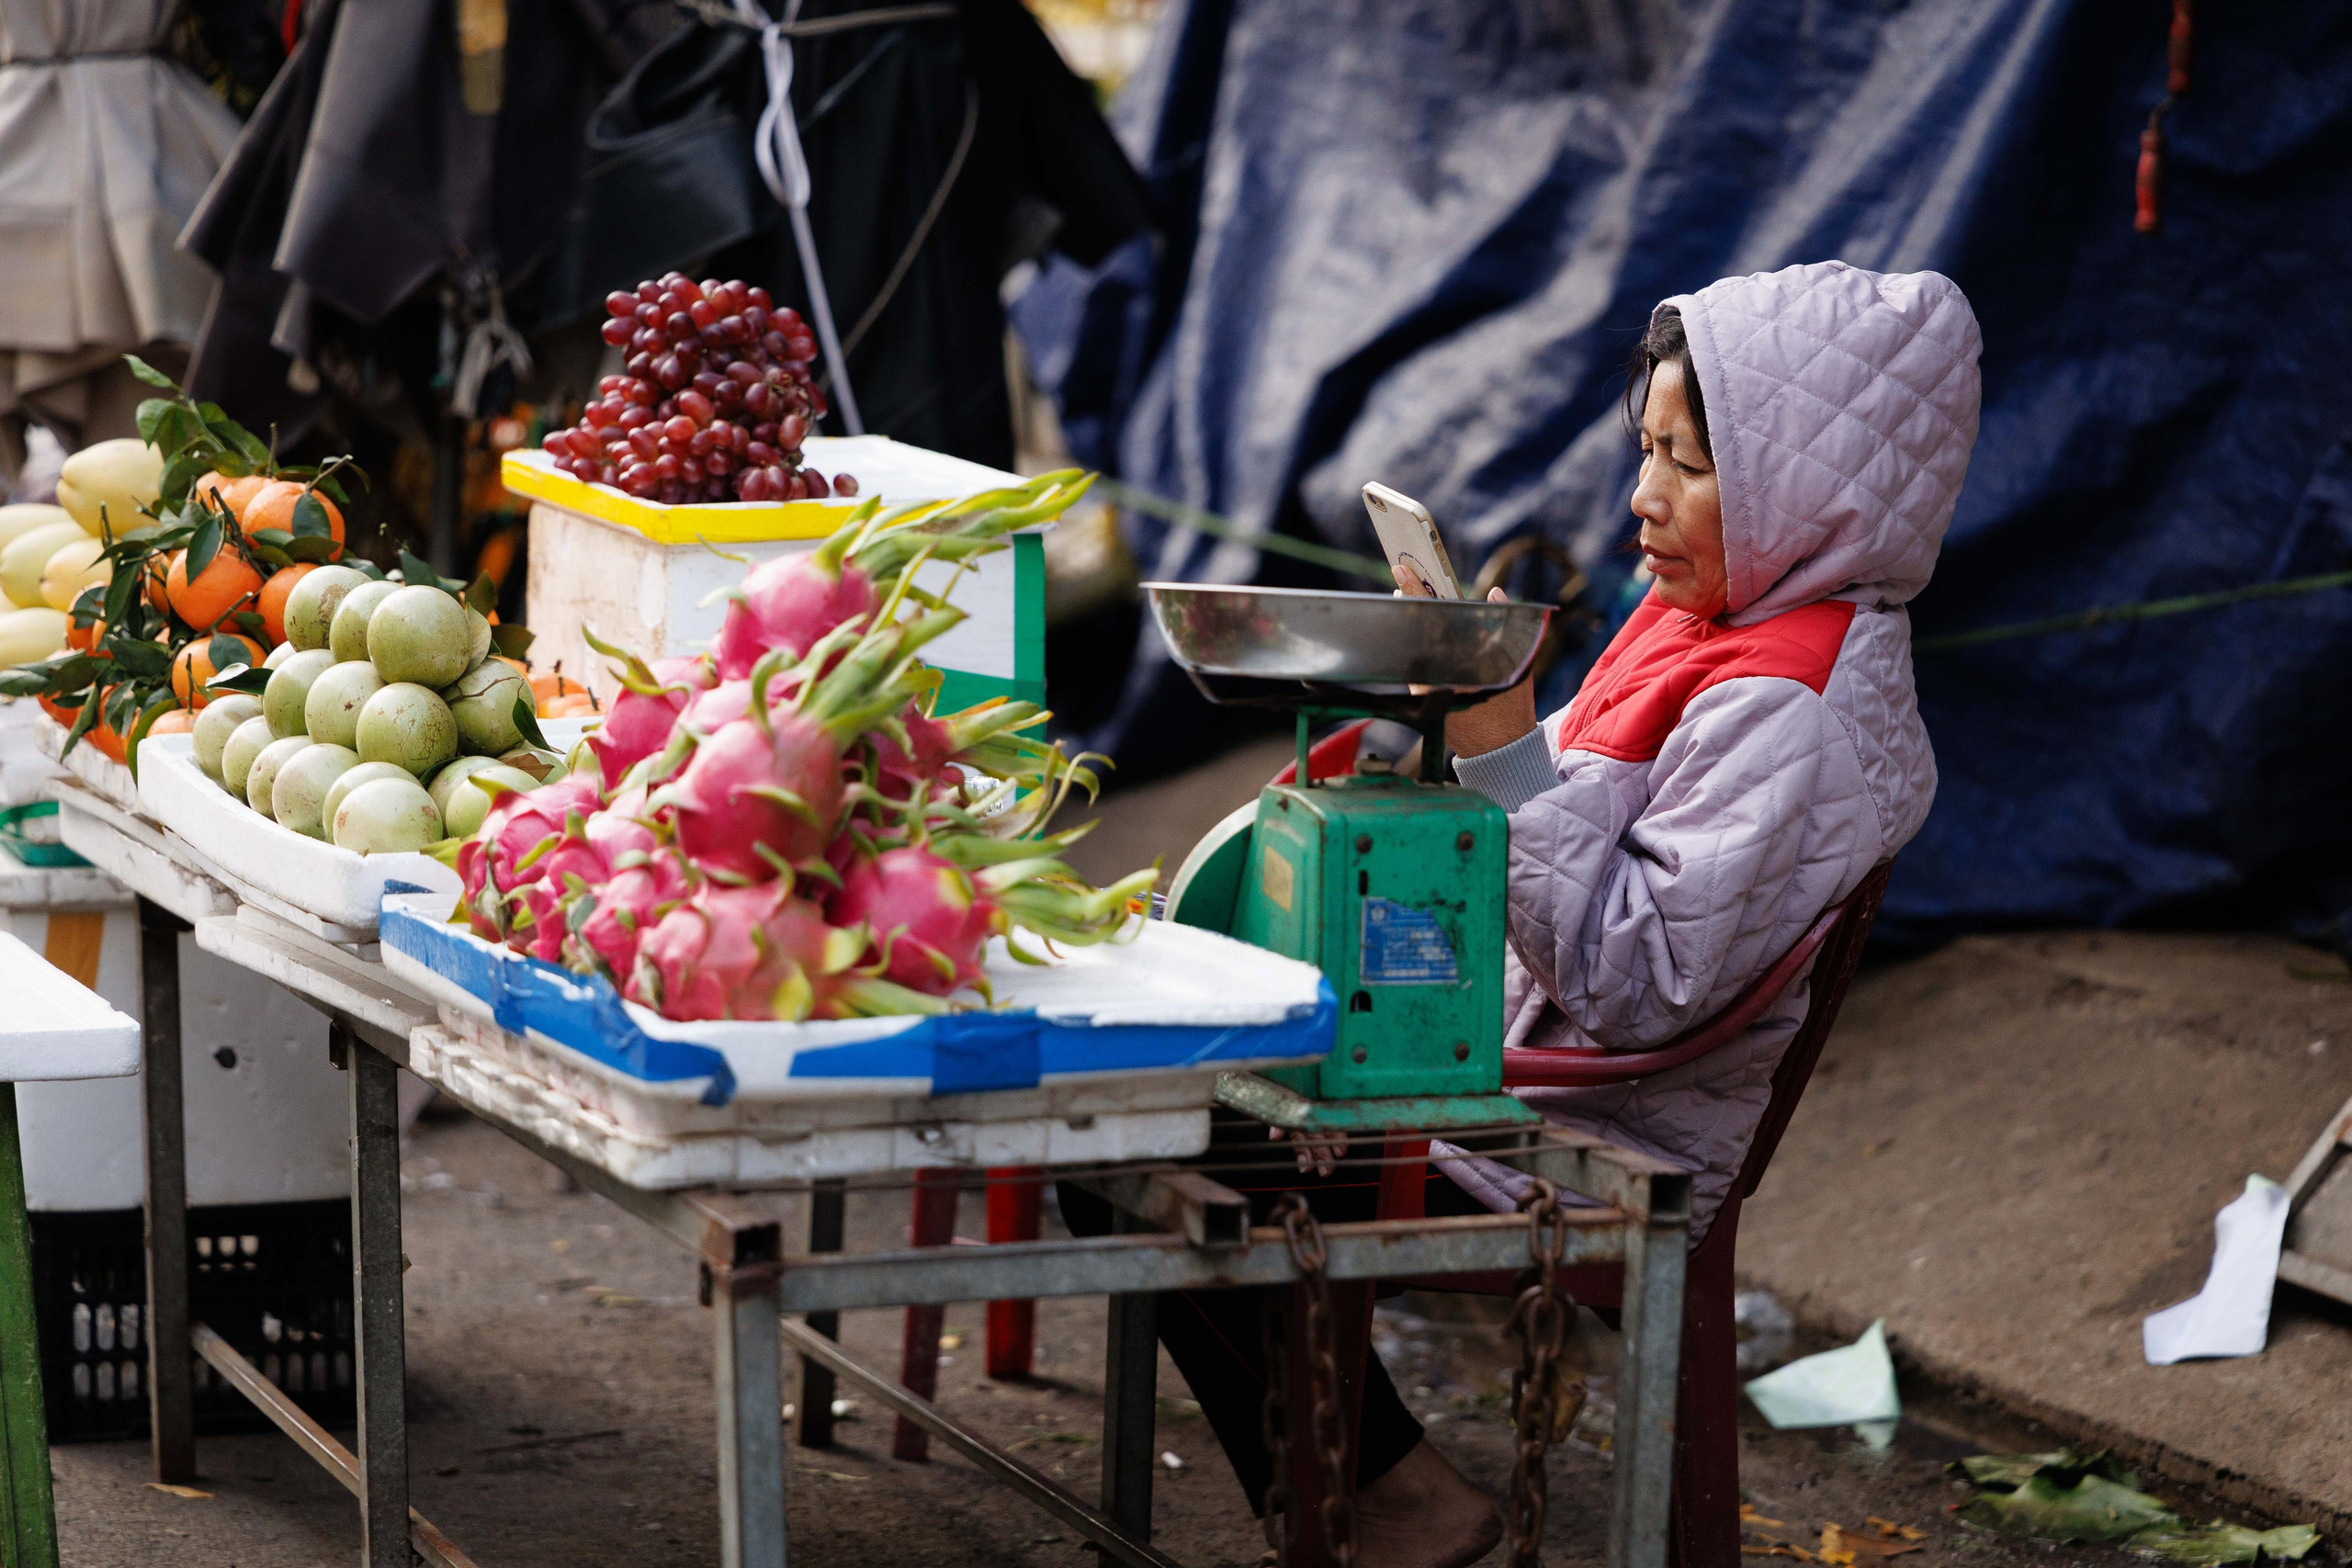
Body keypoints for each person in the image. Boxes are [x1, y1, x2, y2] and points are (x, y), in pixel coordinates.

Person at [1068, 261, 1982, 1568]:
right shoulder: (1700, 625)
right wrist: (1456, 700)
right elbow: (1544, 816)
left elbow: (1631, 984)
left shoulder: (1792, 714)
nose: (1641, 498)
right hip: (1498, 1039)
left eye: (1688, 467)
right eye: (1645, 450)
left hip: (1567, 1122)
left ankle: (1391, 1492)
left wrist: (1498, 744)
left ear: (1802, 492)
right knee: (1127, 1076)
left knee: (1137, 1133)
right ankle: (1366, 1475)